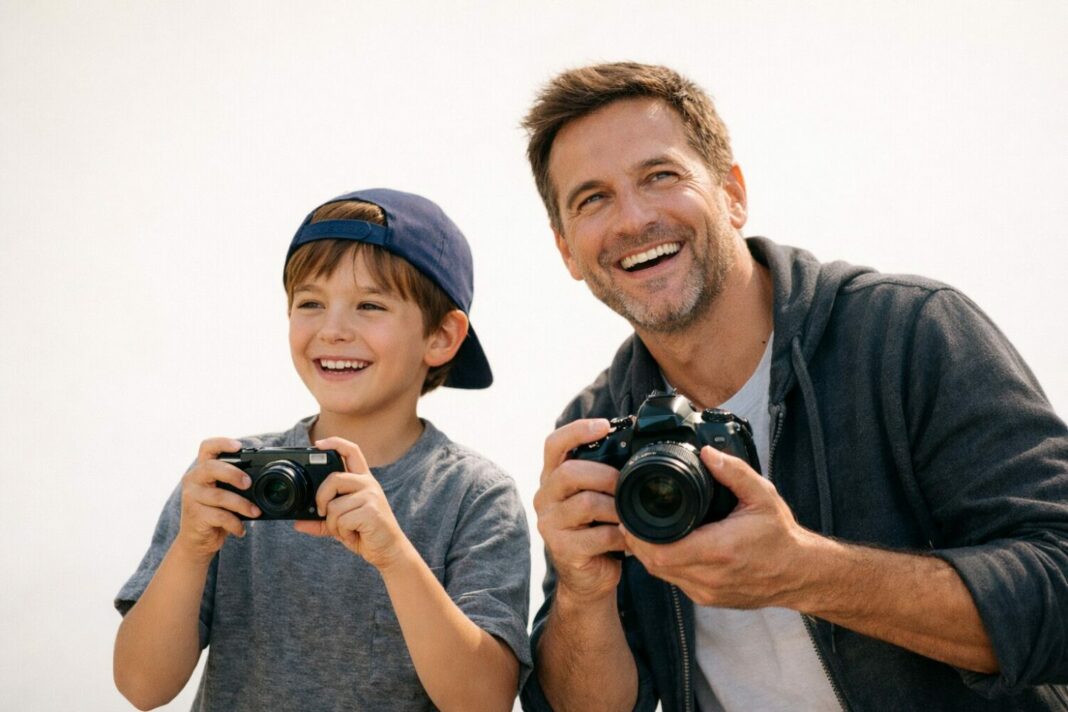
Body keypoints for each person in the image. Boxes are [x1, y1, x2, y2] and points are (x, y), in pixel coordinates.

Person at [518, 62, 1068, 711]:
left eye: (659, 176)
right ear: (567, 252)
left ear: (732, 194)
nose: (634, 219)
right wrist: (584, 592)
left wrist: (805, 572)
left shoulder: (910, 334)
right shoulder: (594, 425)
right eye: (593, 199)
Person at [113, 189, 530, 711]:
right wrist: (190, 551)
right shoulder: (228, 482)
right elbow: (140, 685)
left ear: (442, 336)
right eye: (310, 303)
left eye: (370, 305)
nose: (332, 330)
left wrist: (395, 558)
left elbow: (484, 701)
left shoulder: (475, 496)